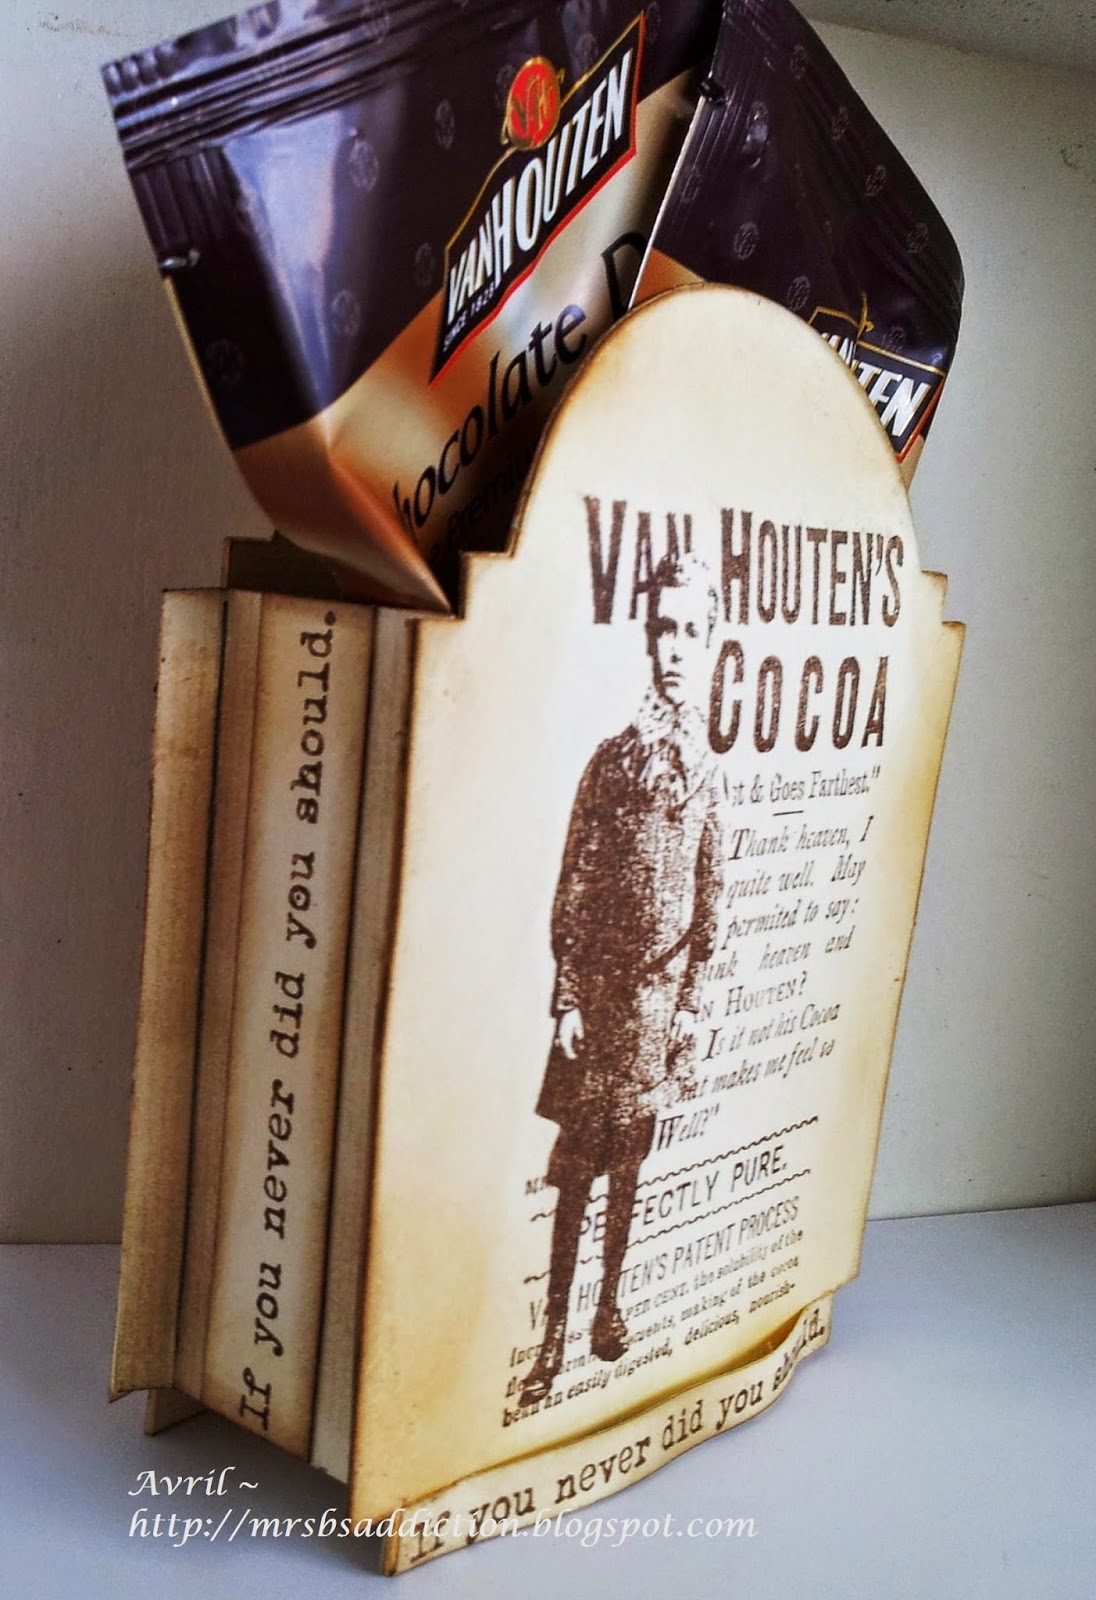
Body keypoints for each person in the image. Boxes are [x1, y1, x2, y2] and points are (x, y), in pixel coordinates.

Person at [521, 549, 725, 1406]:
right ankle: (550, 1340)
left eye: (691, 632)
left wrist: (690, 1005)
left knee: (629, 1163)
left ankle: (608, 1310)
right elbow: (575, 880)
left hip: (653, 1012)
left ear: (710, 643)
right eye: (663, 630)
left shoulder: (708, 776)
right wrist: (569, 995)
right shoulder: (611, 762)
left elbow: (710, 896)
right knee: (576, 1174)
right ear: (648, 638)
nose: (675, 648)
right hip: (600, 1007)